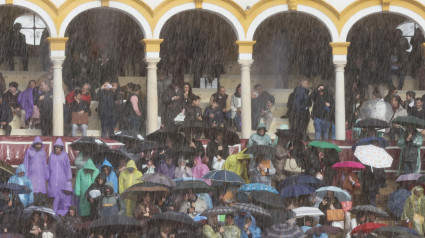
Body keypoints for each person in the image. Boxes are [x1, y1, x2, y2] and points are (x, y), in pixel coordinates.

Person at [23, 136, 49, 204]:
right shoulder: (29, 151)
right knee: (32, 191)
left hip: (41, 175)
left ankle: (39, 207)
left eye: (39, 144)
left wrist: (46, 175)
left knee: (41, 192)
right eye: (37, 144)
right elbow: (26, 164)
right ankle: (33, 207)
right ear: (34, 144)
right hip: (32, 175)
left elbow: (45, 164)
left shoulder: (43, 152)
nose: (38, 146)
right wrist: (26, 175)